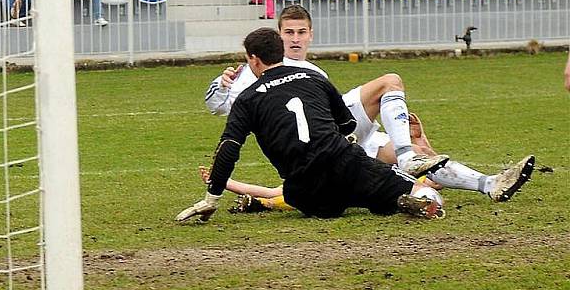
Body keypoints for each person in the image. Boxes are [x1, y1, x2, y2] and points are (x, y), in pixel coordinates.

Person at [203, 5, 536, 206]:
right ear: (277, 36)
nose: (294, 38)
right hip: (324, 147)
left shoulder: (315, 72)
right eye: (288, 32)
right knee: (390, 84)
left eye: (301, 32)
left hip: (342, 139)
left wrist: (414, 136)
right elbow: (220, 105)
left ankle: (489, 184)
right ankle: (408, 158)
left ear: (311, 35)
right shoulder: (255, 70)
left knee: (420, 153)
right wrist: (221, 84)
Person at [178, 27, 448, 223]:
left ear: (253, 59)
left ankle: (367, 198)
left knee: (311, 200)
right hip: (346, 163)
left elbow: (228, 148)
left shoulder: (247, 99)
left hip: (306, 190)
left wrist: (212, 198)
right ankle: (414, 201)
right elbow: (346, 124)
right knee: (418, 187)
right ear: (281, 51)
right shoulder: (313, 77)